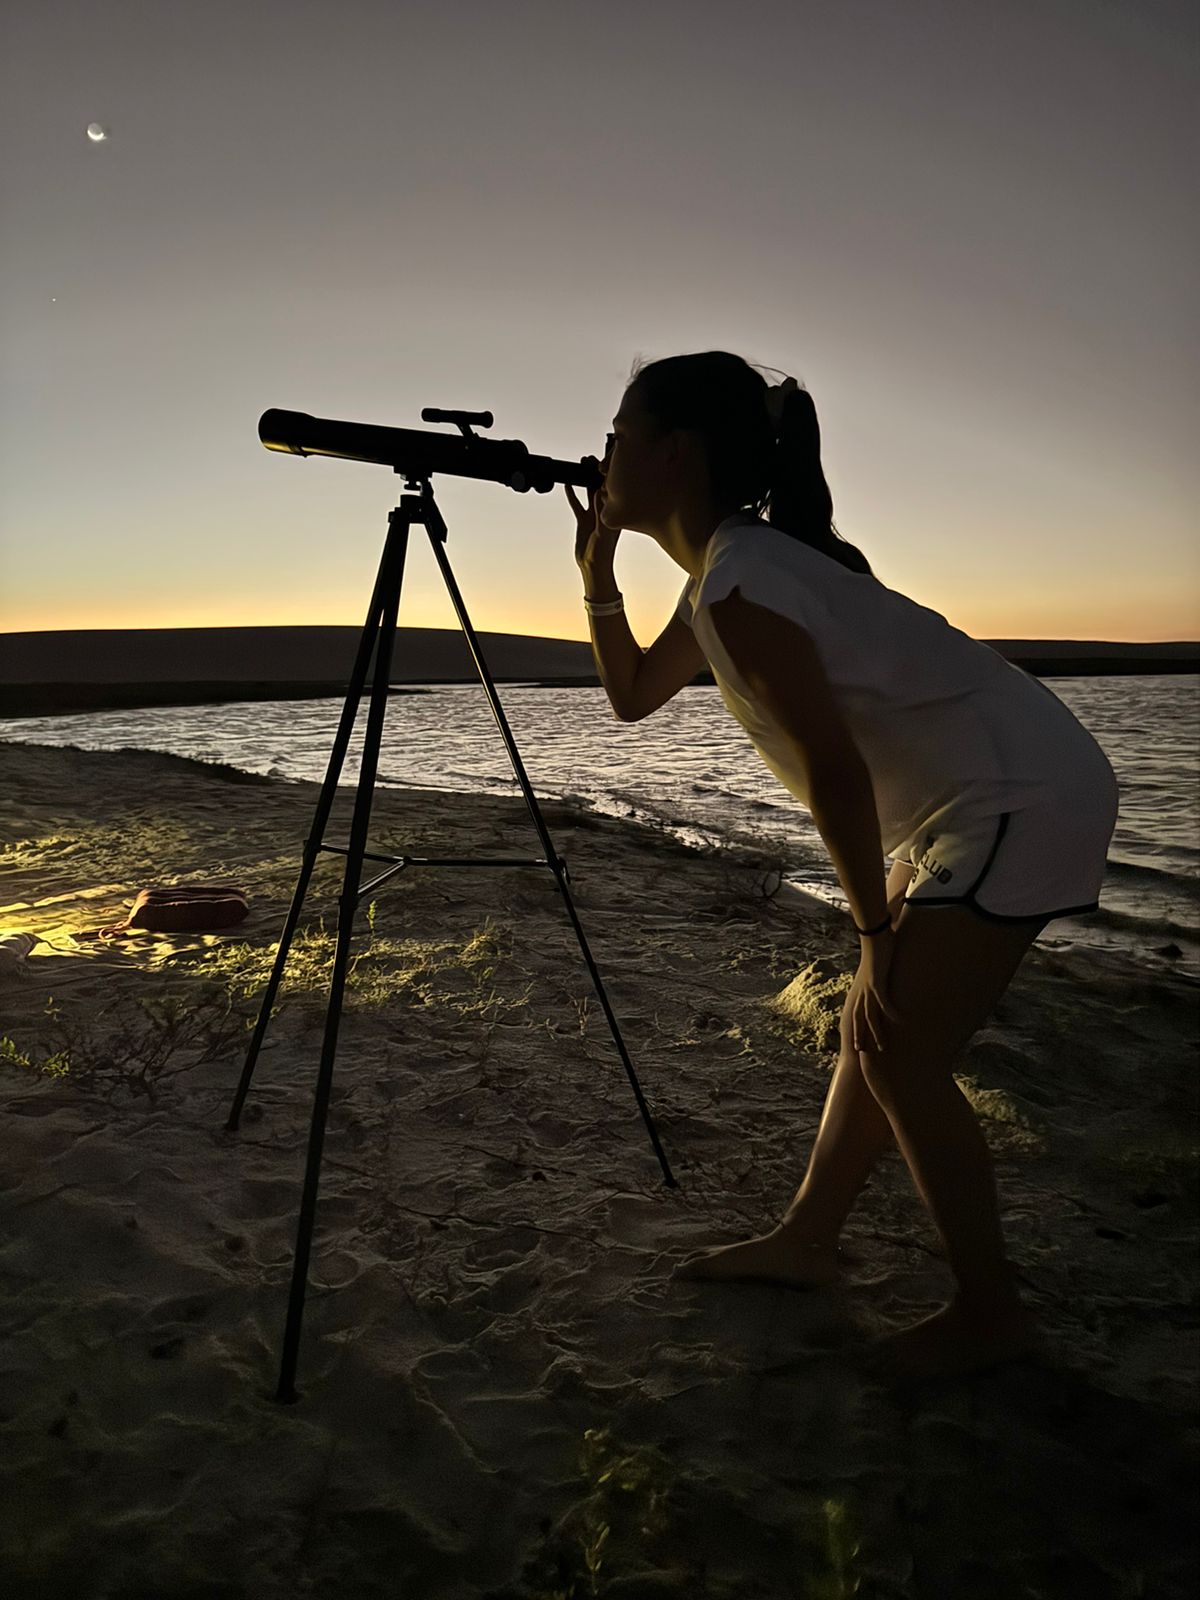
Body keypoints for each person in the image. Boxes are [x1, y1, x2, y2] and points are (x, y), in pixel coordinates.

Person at [564, 349, 1119, 1383]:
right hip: (992, 796)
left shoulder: (743, 581)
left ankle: (991, 1313)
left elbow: (833, 770)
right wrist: (597, 579)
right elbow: (635, 693)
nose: (603, 457)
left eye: (617, 437)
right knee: (880, 1033)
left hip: (1018, 798)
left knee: (900, 1043)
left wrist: (870, 935)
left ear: (673, 453)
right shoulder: (727, 578)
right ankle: (809, 1242)